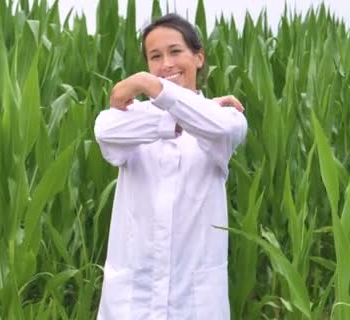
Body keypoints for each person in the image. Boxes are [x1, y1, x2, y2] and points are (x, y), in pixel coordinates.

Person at [94, 13, 247, 320]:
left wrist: (146, 84)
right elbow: (105, 131)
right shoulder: (130, 116)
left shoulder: (227, 118)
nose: (166, 64)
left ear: (199, 57)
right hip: (133, 299)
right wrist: (171, 113)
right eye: (155, 56)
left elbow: (218, 129)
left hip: (193, 301)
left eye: (175, 51)